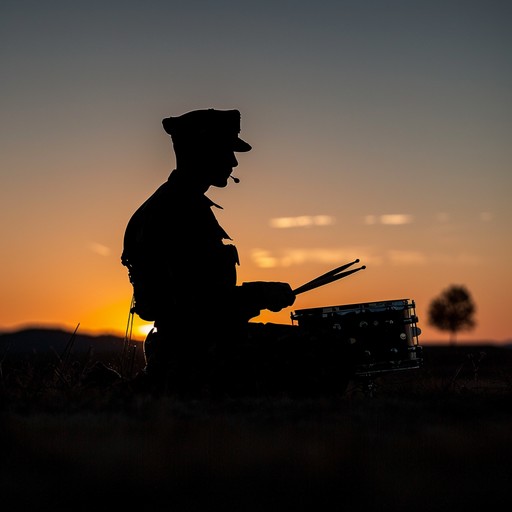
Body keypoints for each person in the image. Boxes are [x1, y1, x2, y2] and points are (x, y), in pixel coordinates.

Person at [122, 108, 353, 397]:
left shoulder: (168, 206)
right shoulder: (180, 212)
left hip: (184, 347)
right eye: (226, 151)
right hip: (198, 352)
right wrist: (260, 295)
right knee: (330, 349)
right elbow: (196, 306)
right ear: (201, 151)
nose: (233, 161)